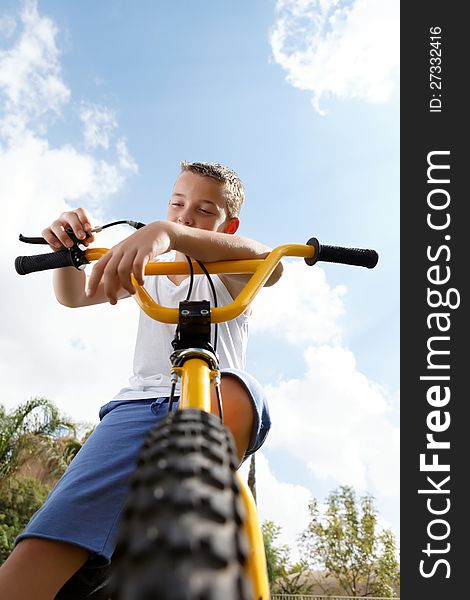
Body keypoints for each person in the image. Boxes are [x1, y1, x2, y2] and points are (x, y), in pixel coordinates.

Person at [0, 161, 281, 600]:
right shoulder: (147, 266)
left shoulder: (231, 270)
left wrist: (165, 232)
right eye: (176, 204)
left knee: (238, 391)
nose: (186, 215)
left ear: (228, 224)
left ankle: (172, 541)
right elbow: (74, 296)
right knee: (40, 552)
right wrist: (69, 250)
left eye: (204, 210)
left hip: (214, 395)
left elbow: (269, 262)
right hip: (136, 408)